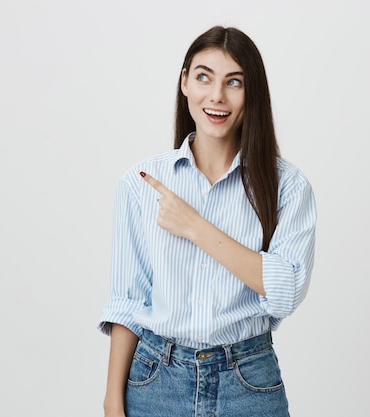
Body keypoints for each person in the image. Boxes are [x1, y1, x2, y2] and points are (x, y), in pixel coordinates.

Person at [98, 26, 317, 417]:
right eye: (203, 77)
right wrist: (113, 401)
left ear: (252, 94)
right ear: (184, 82)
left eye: (234, 82)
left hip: (248, 382)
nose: (217, 96)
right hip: (155, 380)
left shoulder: (287, 187)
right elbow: (129, 302)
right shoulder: (141, 184)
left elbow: (287, 290)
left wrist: (194, 226)